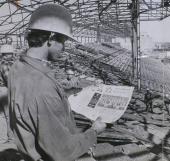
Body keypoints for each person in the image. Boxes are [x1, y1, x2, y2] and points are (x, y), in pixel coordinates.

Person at [7, 4, 106, 161]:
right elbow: (62, 151)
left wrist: (65, 95)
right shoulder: (41, 85)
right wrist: (94, 131)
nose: (64, 48)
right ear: (51, 38)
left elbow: (31, 107)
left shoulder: (17, 68)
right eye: (63, 41)